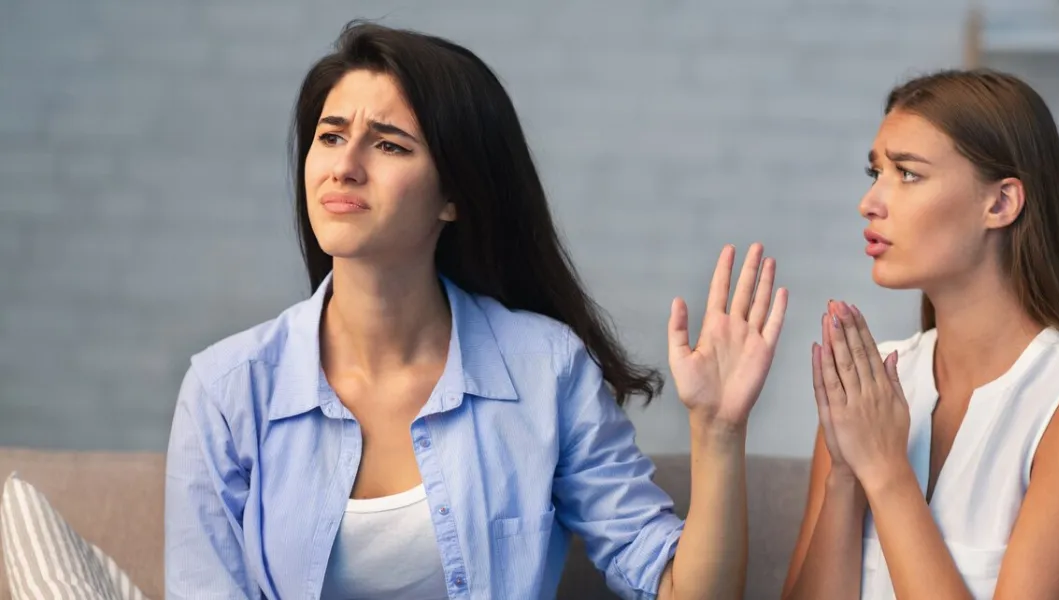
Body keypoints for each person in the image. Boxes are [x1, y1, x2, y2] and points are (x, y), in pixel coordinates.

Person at [164, 21, 788, 600]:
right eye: (330, 137)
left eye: (388, 145)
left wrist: (717, 430)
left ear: (455, 197)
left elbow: (681, 590)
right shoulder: (226, 391)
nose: (344, 167)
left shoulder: (546, 370)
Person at [781, 69, 1059, 600]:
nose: (871, 202)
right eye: (876, 171)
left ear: (1000, 203)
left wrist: (886, 473)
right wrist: (845, 476)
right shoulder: (873, 390)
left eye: (907, 174)